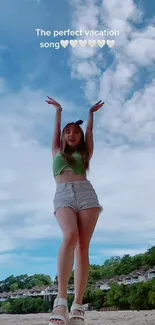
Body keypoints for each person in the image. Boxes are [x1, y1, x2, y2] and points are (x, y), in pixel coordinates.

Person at [46, 96, 104, 325]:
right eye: (68, 132)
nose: (72, 134)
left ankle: (78, 307)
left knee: (83, 247)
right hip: (63, 193)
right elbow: (57, 127)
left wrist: (90, 116)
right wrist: (58, 110)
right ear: (63, 136)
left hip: (86, 194)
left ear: (79, 138)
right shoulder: (56, 151)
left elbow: (90, 133)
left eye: (76, 133)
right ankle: (60, 302)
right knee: (70, 236)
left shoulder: (85, 153)